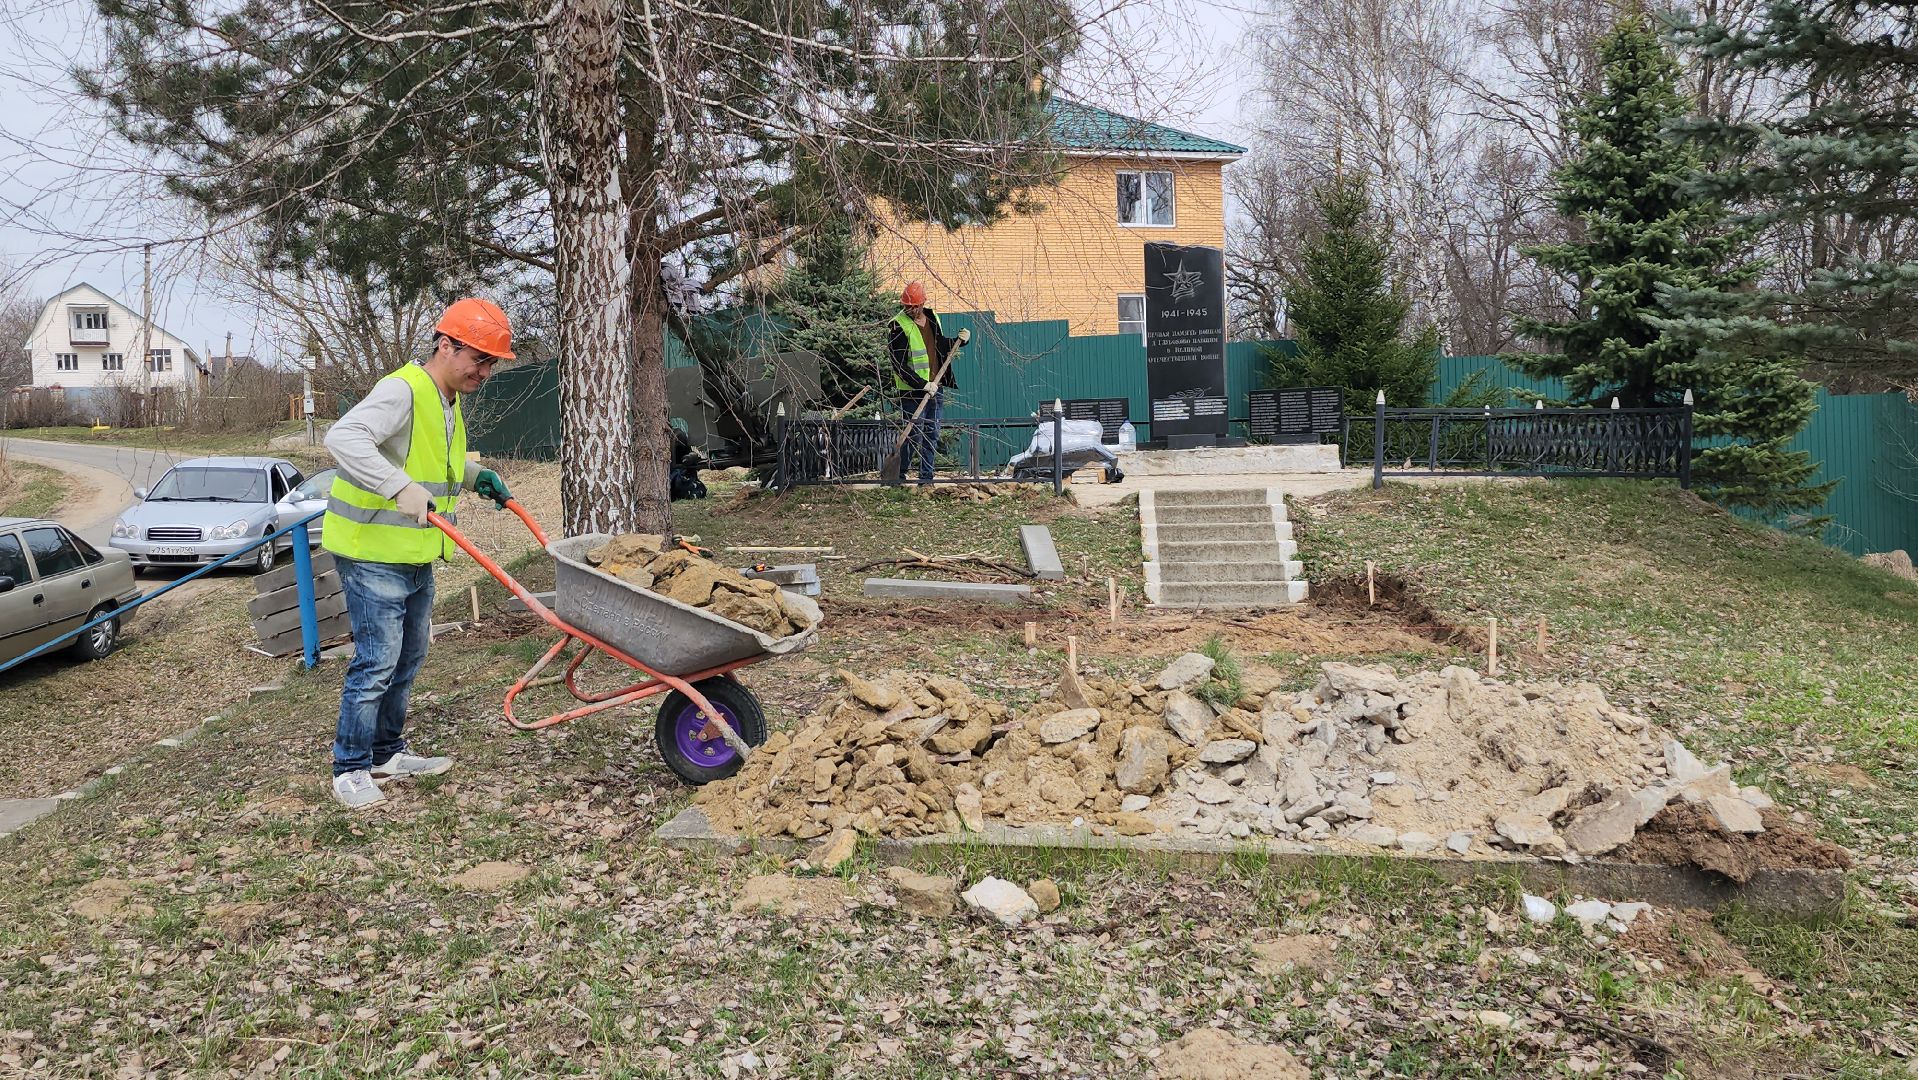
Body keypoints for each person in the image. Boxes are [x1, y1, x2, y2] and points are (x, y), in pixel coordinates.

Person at [320, 298, 516, 809]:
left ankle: (386, 752)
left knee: (408, 657)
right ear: (445, 346)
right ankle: (350, 768)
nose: (485, 372)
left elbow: (426, 462)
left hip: (414, 552)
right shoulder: (402, 389)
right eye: (479, 359)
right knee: (376, 662)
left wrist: (474, 476)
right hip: (370, 550)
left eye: (492, 363)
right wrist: (397, 486)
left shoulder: (445, 398)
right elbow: (344, 437)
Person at [887, 281, 968, 484]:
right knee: (912, 434)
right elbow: (899, 366)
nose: (911, 310)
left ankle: (926, 478)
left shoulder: (932, 318)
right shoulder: (897, 326)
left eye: (914, 306)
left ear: (922, 304)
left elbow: (939, 346)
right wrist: (922, 384)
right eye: (907, 306)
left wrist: (959, 341)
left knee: (932, 433)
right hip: (912, 391)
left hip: (935, 387)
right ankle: (899, 476)